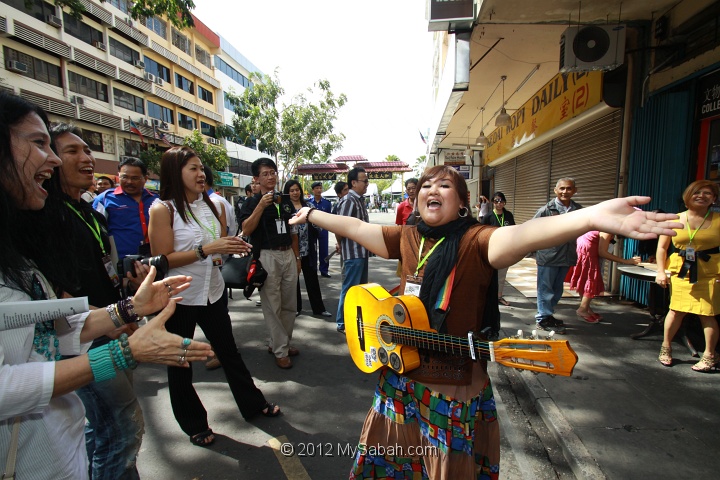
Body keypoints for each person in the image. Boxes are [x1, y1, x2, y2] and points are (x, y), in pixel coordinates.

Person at [289, 164, 680, 479]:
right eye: (427, 184)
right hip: (399, 375)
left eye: (444, 185)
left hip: (450, 384)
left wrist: (591, 216)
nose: (432, 190)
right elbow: (357, 228)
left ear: (461, 202)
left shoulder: (478, 239)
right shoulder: (409, 237)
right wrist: (312, 214)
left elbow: (528, 234)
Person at [0, 91, 213, 480]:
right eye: (39, 143)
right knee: (118, 427)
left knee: (114, 430)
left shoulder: (57, 222)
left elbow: (49, 329)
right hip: (27, 458)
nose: (53, 159)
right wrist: (121, 352)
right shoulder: (55, 217)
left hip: (59, 450)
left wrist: (128, 308)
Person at [148, 147, 282, 447]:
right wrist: (206, 250)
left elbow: (222, 241)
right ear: (174, 172)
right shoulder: (162, 209)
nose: (201, 174)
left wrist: (232, 247)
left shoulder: (215, 205)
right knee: (180, 361)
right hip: (180, 297)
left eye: (201, 168)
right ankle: (194, 423)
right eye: (192, 169)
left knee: (229, 352)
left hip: (213, 292)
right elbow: (162, 260)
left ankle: (253, 404)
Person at [47, 123, 145, 479]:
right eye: (71, 151)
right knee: (120, 419)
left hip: (112, 330)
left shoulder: (89, 212)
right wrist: (121, 314)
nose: (86, 157)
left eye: (86, 150)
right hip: (83, 343)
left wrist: (126, 284)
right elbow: (56, 294)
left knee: (105, 422)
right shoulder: (45, 215)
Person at [238, 158, 300, 369]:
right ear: (256, 178)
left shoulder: (284, 200)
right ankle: (281, 350)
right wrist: (261, 206)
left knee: (290, 304)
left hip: (288, 255)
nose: (271, 176)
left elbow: (293, 230)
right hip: (267, 256)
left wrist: (297, 257)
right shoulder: (251, 202)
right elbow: (246, 229)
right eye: (265, 174)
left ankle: (280, 342)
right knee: (273, 305)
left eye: (273, 172)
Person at [656, 179, 720, 372]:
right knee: (675, 311)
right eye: (697, 192)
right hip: (681, 272)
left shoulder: (718, 220)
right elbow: (661, 248)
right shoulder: (674, 219)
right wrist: (661, 271)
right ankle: (666, 347)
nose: (701, 196)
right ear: (687, 197)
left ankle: (710, 355)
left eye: (707, 193)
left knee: (707, 314)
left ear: (714, 199)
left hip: (710, 273)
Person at [533, 178, 582, 334]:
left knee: (557, 289)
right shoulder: (546, 210)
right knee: (545, 289)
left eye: (568, 189)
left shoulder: (578, 209)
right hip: (548, 257)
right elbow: (532, 229)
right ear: (555, 190)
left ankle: (547, 314)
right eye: (561, 189)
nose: (565, 192)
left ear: (574, 190)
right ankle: (543, 318)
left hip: (567, 256)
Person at [566, 231, 640, 322]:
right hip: (588, 250)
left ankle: (586, 308)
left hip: (583, 247)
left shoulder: (607, 225)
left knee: (585, 279)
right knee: (592, 279)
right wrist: (625, 261)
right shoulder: (608, 229)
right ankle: (583, 309)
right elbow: (602, 252)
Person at [93, 157, 158, 261]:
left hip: (153, 261)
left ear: (145, 179)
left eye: (135, 178)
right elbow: (95, 233)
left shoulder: (156, 200)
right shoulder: (104, 199)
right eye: (124, 177)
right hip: (120, 263)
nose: (129, 182)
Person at [283, 180, 332, 318]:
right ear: (288, 192)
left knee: (312, 280)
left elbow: (319, 225)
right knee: (293, 281)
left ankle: (319, 308)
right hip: (291, 250)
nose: (294, 193)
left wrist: (312, 221)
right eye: (291, 190)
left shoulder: (309, 206)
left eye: (297, 190)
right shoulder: (284, 207)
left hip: (308, 249)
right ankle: (296, 308)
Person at [334, 166, 371, 334]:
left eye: (367, 181)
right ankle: (342, 322)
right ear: (354, 182)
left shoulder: (359, 199)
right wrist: (340, 244)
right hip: (353, 253)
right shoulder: (349, 200)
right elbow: (340, 226)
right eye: (364, 181)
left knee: (360, 288)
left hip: (361, 252)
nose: (367, 184)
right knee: (350, 288)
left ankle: (354, 319)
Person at [481, 191, 516, 306]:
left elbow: (514, 230)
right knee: (488, 274)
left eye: (501, 201)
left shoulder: (509, 215)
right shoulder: (488, 217)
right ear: (492, 202)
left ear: (504, 203)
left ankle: (499, 297)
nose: (499, 203)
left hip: (505, 250)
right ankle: (486, 297)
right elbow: (482, 232)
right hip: (491, 250)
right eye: (496, 201)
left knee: (501, 275)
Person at [308, 181, 333, 277]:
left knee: (324, 250)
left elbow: (329, 217)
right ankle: (312, 269)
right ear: (313, 190)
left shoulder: (327, 203)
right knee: (312, 250)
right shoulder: (308, 203)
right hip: (312, 230)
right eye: (317, 188)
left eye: (320, 188)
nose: (319, 190)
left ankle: (324, 270)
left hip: (323, 230)